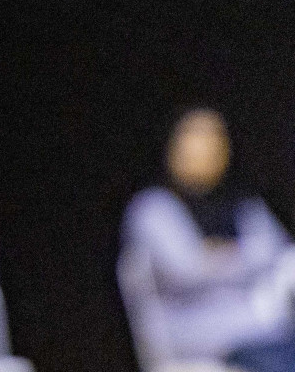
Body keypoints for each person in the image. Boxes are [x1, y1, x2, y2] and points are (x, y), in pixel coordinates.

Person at [123, 108, 295, 372]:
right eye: (193, 140)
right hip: (194, 334)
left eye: (213, 142)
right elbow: (188, 269)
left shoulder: (241, 204)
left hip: (261, 326)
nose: (202, 151)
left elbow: (277, 253)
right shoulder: (154, 208)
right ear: (173, 148)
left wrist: (218, 255)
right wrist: (240, 257)